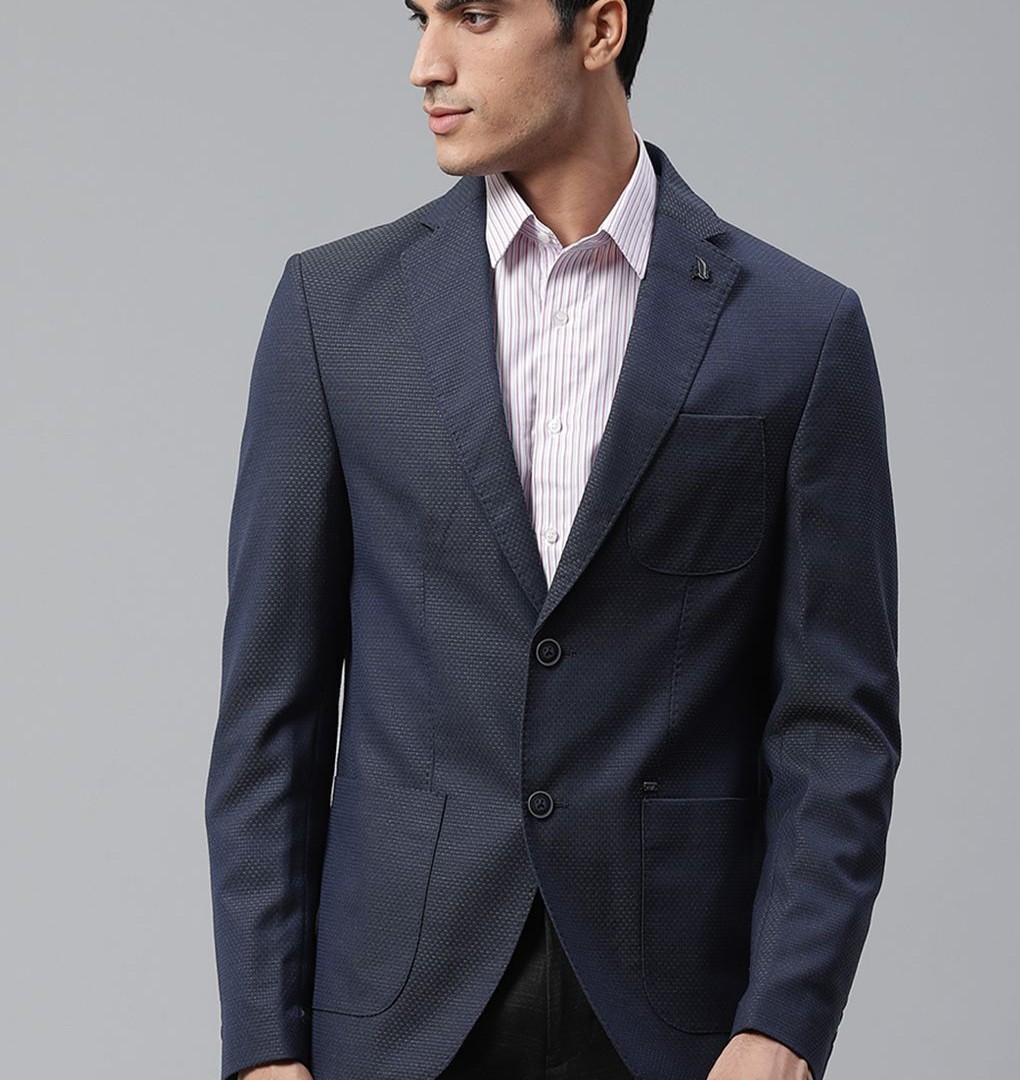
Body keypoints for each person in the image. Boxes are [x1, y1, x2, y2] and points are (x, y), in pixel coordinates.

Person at [203, 2, 902, 1079]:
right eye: (421, 17)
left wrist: (783, 1022)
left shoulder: (797, 333)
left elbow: (834, 724)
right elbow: (269, 713)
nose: (425, 64)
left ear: (601, 28)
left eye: (475, 16)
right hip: (393, 1021)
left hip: (682, 1023)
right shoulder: (334, 313)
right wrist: (261, 1047)